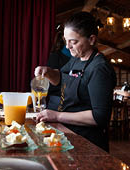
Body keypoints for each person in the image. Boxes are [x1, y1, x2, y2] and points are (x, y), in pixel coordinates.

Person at [34, 12, 116, 152]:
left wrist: (57, 115)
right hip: (70, 133)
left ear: (91, 39)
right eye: (66, 41)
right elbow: (60, 78)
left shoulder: (99, 68)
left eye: (73, 42)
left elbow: (99, 117)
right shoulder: (77, 58)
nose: (67, 46)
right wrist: (48, 72)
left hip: (89, 142)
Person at [46, 30, 73, 110]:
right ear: (63, 37)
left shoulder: (79, 59)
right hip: (57, 99)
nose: (69, 46)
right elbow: (52, 82)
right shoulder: (55, 56)